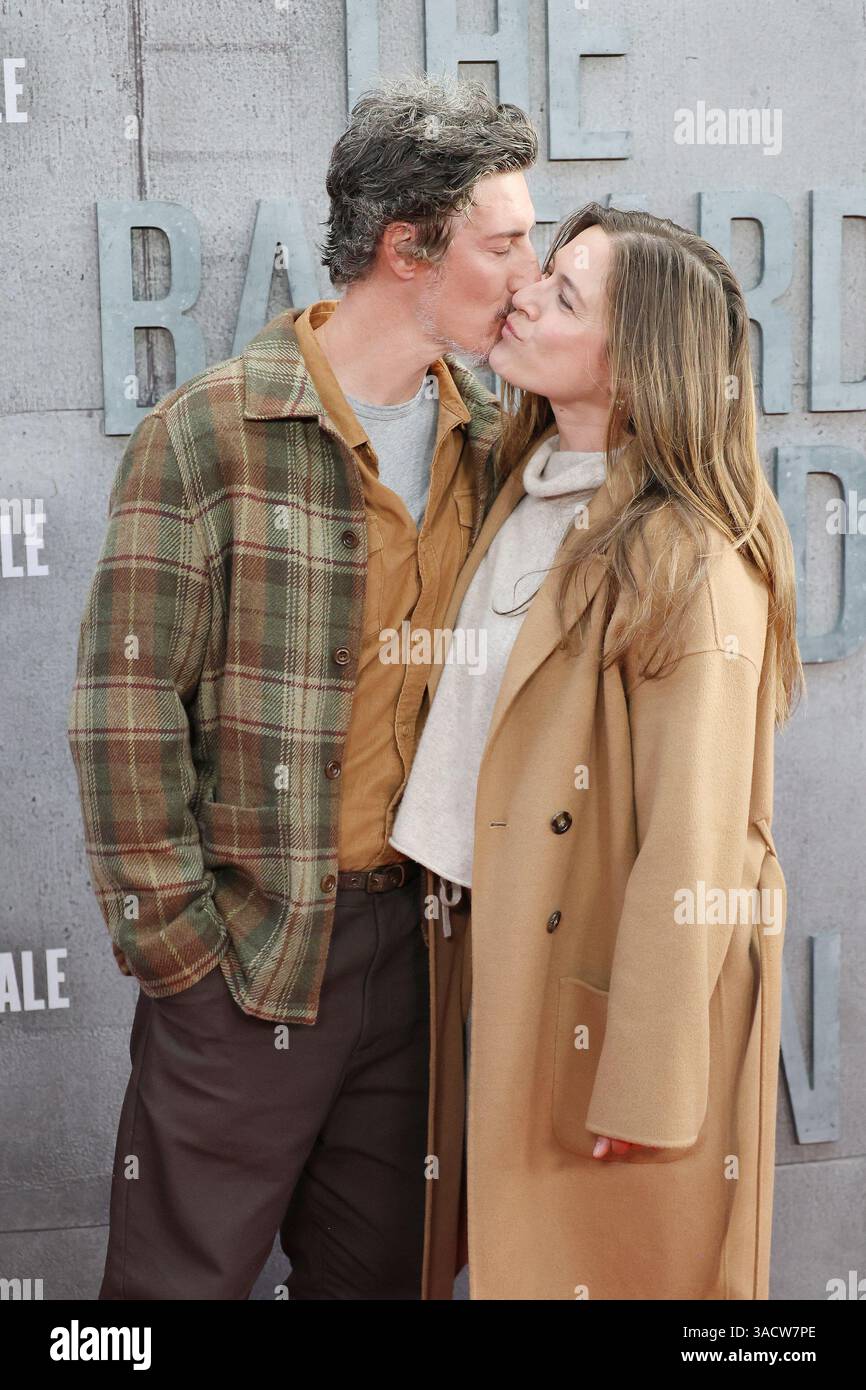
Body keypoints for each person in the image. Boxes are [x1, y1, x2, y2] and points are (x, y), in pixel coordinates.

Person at [66, 72, 540, 1300]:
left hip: (423, 955)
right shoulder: (210, 432)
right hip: (250, 949)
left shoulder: (496, 446)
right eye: (503, 243)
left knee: (384, 1280)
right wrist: (179, 948)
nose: (527, 275)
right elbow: (124, 712)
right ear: (406, 249)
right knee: (170, 1296)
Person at [390, 202, 805, 1299]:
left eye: (563, 295)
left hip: (601, 1015)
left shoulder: (692, 561)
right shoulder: (526, 487)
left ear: (634, 369)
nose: (523, 294)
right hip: (488, 958)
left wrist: (648, 1083)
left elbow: (695, 841)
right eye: (541, 275)